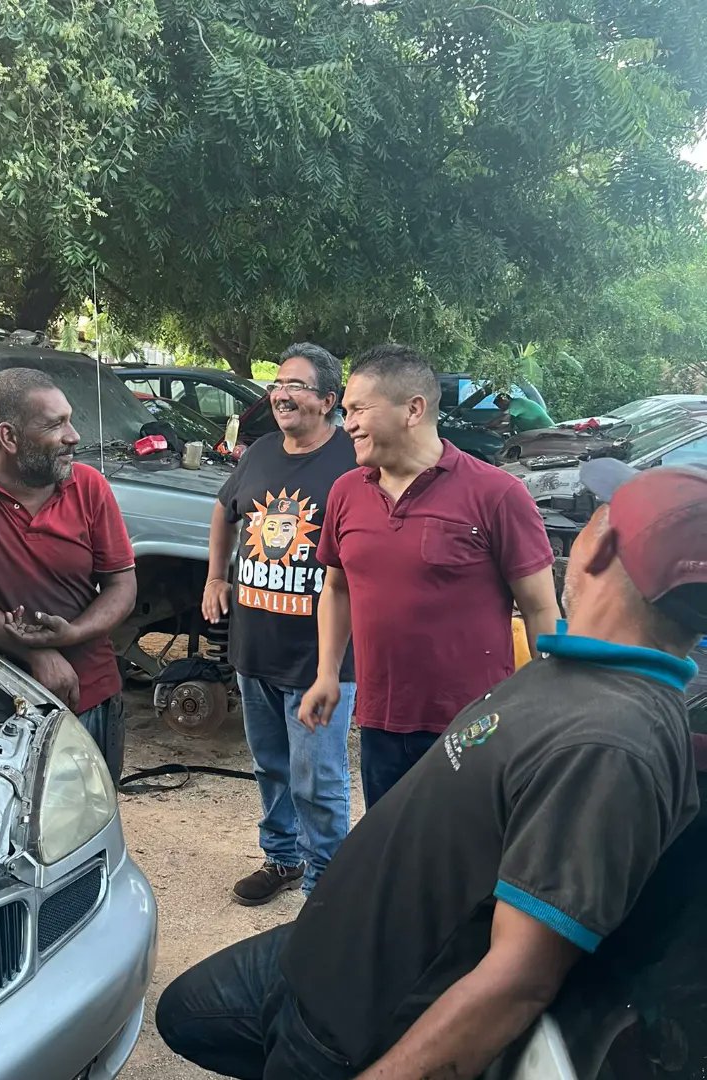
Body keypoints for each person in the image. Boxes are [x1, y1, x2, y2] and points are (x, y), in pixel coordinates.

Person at [156, 458, 707, 1080]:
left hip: (356, 1022)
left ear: (601, 547)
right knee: (183, 1013)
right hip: (324, 954)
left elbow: (518, 980)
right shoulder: (578, 673)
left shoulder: (611, 742)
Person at [300, 344, 560, 806]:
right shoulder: (346, 492)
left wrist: (550, 706)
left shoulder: (496, 494)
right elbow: (337, 589)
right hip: (381, 719)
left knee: (462, 861)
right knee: (392, 853)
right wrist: (326, 674)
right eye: (345, 411)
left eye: (359, 409)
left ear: (413, 410)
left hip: (473, 727)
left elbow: (540, 607)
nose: (349, 424)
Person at [0, 367, 136, 784]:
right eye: (55, 424)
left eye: (69, 419)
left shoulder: (89, 486)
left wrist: (70, 635)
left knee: (81, 826)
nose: (74, 436)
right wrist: (37, 653)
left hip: (87, 693)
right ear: (9, 437)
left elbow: (122, 586)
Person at [205, 343, 358, 903]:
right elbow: (225, 509)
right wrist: (215, 578)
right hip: (255, 647)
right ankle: (283, 858)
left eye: (294, 384)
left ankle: (327, 885)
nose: (280, 393)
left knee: (318, 779)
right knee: (270, 765)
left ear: (328, 399)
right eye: (277, 383)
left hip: (322, 659)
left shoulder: (354, 458)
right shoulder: (262, 450)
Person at [490, 390, 556, 434]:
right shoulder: (514, 414)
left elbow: (503, 418)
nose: (500, 409)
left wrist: (486, 425)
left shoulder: (517, 403)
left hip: (547, 431)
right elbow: (510, 428)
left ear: (505, 400)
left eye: (500, 406)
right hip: (536, 433)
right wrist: (492, 432)